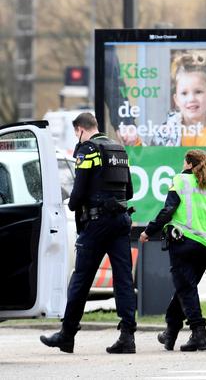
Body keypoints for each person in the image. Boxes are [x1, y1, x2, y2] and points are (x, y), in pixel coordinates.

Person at [40, 112, 136, 354]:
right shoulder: (119, 150)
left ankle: (67, 334)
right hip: (121, 220)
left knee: (81, 279)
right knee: (123, 280)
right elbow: (130, 191)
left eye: (76, 133)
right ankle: (127, 337)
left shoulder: (88, 150)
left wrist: (71, 205)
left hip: (96, 223)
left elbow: (79, 190)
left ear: (80, 129)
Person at [140, 149, 206, 351]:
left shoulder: (181, 181)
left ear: (189, 164)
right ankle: (171, 331)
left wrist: (148, 231)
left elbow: (169, 210)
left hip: (184, 244)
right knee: (184, 288)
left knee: (186, 289)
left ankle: (199, 333)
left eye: (183, 162)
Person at [151, 51, 206, 147]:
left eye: (198, 92)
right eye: (184, 93)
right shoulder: (164, 135)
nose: (191, 99)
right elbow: (149, 159)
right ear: (176, 99)